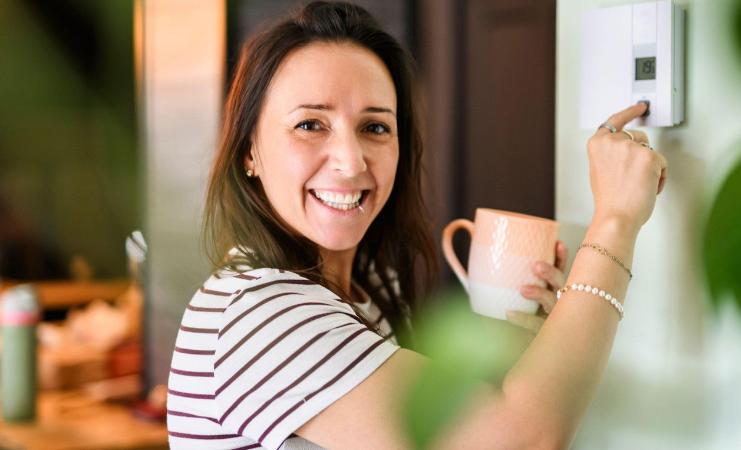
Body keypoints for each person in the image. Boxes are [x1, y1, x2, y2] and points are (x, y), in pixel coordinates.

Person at [166, 2, 668, 449]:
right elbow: (521, 439)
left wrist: (523, 339)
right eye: (310, 124)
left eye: (375, 127)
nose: (350, 160)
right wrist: (617, 219)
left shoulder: (368, 287)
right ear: (250, 150)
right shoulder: (260, 313)